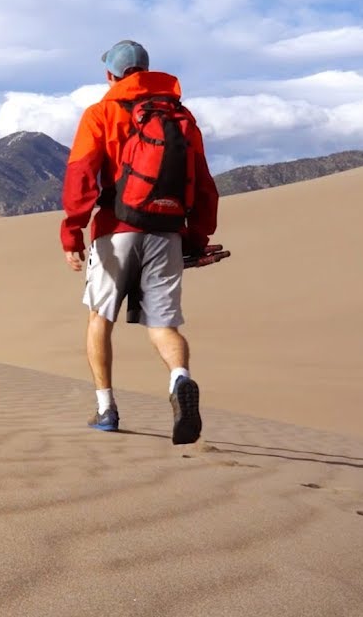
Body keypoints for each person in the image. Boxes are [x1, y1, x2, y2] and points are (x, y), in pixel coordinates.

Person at [60, 39, 219, 445]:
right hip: (167, 232)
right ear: (148, 71)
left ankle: (106, 409)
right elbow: (203, 183)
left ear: (109, 75)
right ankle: (180, 378)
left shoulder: (100, 113)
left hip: (116, 231)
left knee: (100, 319)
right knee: (164, 326)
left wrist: (72, 230)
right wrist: (196, 237)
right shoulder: (181, 117)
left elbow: (81, 174)